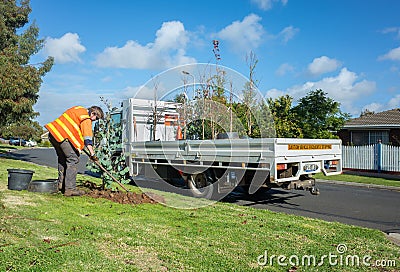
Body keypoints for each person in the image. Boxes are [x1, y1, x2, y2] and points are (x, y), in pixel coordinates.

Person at [45, 106, 104, 196]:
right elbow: (87, 139)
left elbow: (73, 128)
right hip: (63, 137)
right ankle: (70, 189)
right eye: (96, 119)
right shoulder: (86, 118)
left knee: (62, 159)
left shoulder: (78, 109)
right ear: (93, 114)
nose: (94, 121)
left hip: (53, 134)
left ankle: (61, 185)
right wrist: (92, 154)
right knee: (73, 159)